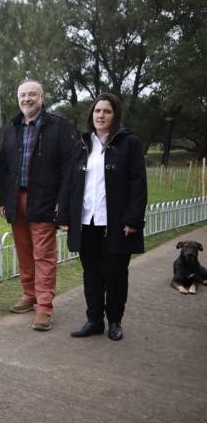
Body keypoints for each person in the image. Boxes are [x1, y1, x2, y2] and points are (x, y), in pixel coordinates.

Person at [57, 93, 147, 341]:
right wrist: (63, 214)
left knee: (116, 273)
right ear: (91, 115)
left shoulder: (129, 144)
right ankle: (94, 320)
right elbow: (69, 183)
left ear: (115, 115)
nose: (101, 115)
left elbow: (138, 184)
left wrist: (132, 219)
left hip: (116, 223)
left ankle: (115, 321)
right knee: (91, 273)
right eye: (97, 111)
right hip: (88, 222)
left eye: (106, 111)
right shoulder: (83, 145)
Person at [0, 80, 73, 331]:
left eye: (32, 94)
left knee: (43, 255)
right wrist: (2, 200)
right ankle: (29, 294)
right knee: (23, 251)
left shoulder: (58, 126)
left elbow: (67, 168)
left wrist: (62, 203)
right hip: (15, 199)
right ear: (18, 99)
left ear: (42, 97)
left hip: (44, 199)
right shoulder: (11, 129)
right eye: (23, 95)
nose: (27, 99)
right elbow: (4, 168)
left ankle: (43, 307)